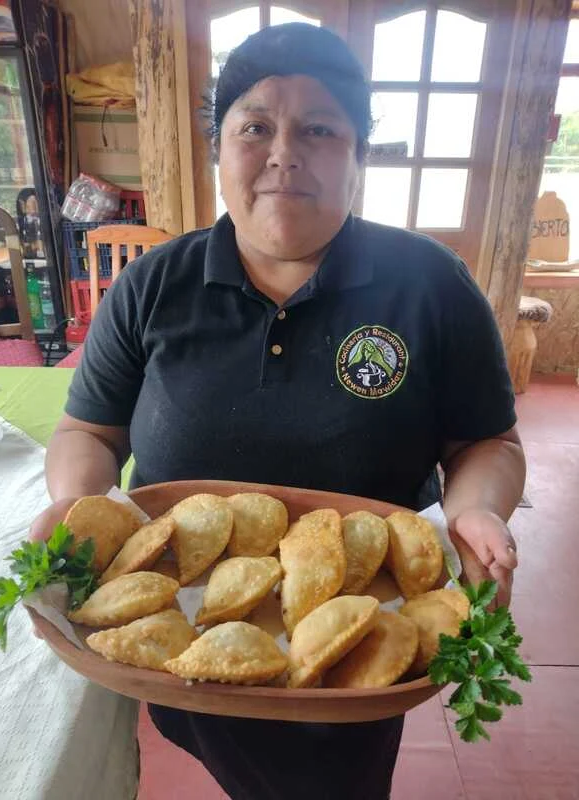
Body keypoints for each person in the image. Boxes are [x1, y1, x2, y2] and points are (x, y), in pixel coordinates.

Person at [30, 23, 525, 800]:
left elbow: (486, 442)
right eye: (255, 126)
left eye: (320, 129)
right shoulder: (155, 284)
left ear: (359, 155)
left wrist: (476, 512)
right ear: (219, 149)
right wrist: (75, 503)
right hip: (185, 626)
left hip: (353, 644)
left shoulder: (430, 285)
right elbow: (88, 430)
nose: (284, 151)